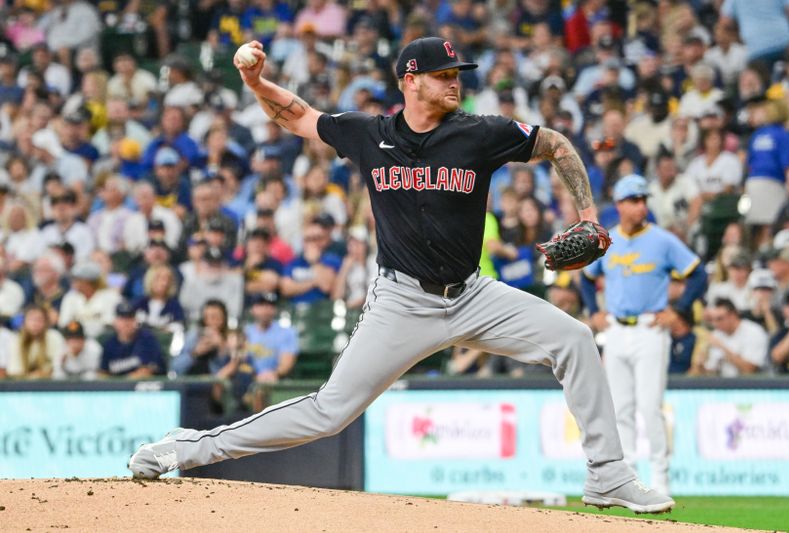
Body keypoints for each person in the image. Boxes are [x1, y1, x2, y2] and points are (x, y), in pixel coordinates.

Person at [129, 37, 675, 514]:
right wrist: (256, 81)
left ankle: (607, 473)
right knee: (328, 412)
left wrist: (586, 216)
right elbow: (298, 116)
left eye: (457, 75)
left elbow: (555, 143)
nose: (455, 83)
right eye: (444, 75)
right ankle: (188, 448)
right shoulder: (370, 133)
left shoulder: (481, 133)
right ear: (411, 81)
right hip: (402, 302)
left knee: (576, 339)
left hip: (474, 294)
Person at [581, 174, 707, 496]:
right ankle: (630, 480)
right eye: (634, 200)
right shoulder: (607, 242)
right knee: (620, 408)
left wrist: (678, 311)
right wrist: (593, 310)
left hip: (651, 328)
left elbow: (698, 275)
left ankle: (661, 477)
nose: (641, 206)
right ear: (620, 205)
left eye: (643, 200)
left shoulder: (662, 240)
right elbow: (585, 277)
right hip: (616, 330)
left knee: (651, 406)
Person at [702, 298, 769, 377]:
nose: (715, 324)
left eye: (719, 319)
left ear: (733, 315)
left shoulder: (754, 332)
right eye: (712, 320)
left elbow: (750, 370)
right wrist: (700, 366)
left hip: (751, 385)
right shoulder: (716, 334)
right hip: (723, 384)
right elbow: (710, 372)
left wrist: (722, 347)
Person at [98, 301, 165, 378]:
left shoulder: (147, 339)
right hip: (116, 388)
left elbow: (146, 371)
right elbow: (103, 373)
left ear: (136, 320)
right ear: (115, 322)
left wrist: (122, 383)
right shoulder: (109, 344)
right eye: (122, 319)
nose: (126, 323)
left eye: (130, 319)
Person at [5, 305, 65, 379]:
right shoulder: (16, 340)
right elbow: (14, 372)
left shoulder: (54, 337)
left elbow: (58, 369)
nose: (35, 324)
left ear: (46, 322)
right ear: (24, 322)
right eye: (31, 319)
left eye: (39, 320)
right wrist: (34, 376)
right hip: (22, 385)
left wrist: (44, 373)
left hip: (50, 384)